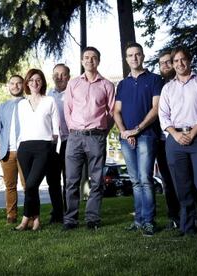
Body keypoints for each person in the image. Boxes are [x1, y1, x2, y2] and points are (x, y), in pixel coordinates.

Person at [159, 46, 197, 242]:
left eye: (183, 59)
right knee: (182, 187)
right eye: (175, 61)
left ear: (189, 60)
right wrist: (175, 134)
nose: (179, 64)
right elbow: (163, 116)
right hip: (175, 140)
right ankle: (188, 227)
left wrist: (193, 133)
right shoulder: (168, 88)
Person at [114, 42, 164, 237]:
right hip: (126, 137)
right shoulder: (123, 84)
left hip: (146, 135)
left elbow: (156, 108)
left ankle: (149, 221)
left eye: (137, 54)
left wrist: (137, 129)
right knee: (135, 181)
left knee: (145, 179)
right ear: (126, 59)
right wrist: (125, 132)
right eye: (130, 55)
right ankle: (139, 219)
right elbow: (116, 111)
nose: (134, 58)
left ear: (143, 56)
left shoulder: (154, 79)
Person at [63, 46, 115, 231]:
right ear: (81, 61)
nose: (89, 60)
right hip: (75, 137)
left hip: (96, 137)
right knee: (71, 180)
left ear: (98, 61)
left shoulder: (107, 85)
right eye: (86, 57)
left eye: (93, 57)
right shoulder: (74, 83)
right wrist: (72, 128)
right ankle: (70, 219)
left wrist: (102, 131)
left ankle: (92, 218)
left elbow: (112, 112)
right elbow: (67, 109)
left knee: (97, 179)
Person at [13, 69, 59, 231]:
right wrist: (17, 147)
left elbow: (56, 129)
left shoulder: (50, 101)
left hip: (44, 148)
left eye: (38, 80)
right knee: (30, 187)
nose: (34, 83)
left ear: (42, 82)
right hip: (24, 148)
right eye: (31, 80)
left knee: (31, 184)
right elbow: (19, 129)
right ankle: (37, 219)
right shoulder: (21, 104)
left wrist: (52, 148)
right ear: (27, 83)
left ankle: (25, 219)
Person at [0, 75, 26, 224]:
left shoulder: (29, 103)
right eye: (12, 83)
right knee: (10, 186)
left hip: (25, 150)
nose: (15, 86)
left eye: (18, 83)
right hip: (7, 151)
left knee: (28, 185)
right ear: (8, 86)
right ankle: (11, 216)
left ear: (23, 85)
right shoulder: (2, 107)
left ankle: (31, 215)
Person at [156, 50, 180, 230]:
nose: (165, 65)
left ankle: (193, 215)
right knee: (167, 181)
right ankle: (174, 217)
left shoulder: (184, 82)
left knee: (187, 179)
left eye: (168, 62)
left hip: (182, 137)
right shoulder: (158, 84)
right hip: (161, 141)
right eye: (161, 63)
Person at [46, 64, 71, 223]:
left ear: (68, 76)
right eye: (56, 74)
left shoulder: (73, 92)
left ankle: (69, 213)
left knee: (69, 179)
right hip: (52, 142)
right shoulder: (48, 95)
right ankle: (57, 212)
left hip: (69, 140)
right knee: (53, 180)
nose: (59, 77)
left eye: (63, 74)